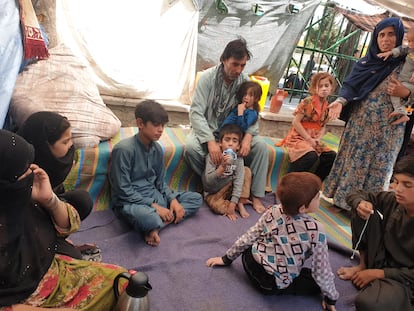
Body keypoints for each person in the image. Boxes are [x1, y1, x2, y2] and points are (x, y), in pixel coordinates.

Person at [0, 129, 127, 310]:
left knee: (124, 282)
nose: (30, 172)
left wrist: (49, 200)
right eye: (22, 170)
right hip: (22, 301)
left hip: (47, 270)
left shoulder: (20, 197)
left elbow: (69, 225)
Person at [205, 172, 339, 311]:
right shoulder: (317, 230)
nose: (320, 198)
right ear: (303, 208)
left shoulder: (274, 210)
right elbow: (321, 270)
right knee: (314, 281)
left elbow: (250, 235)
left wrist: (226, 258)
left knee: (257, 238)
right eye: (317, 196)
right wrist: (331, 298)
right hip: (269, 284)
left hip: (248, 260)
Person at [325, 17, 414, 210]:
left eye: (391, 34)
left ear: (399, 36)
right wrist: (340, 102)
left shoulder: (408, 62)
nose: (386, 39)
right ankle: (343, 201)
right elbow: (351, 85)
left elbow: (411, 97)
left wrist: (405, 93)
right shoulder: (367, 62)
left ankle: (368, 207)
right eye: (381, 35)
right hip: (360, 125)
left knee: (379, 168)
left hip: (389, 130)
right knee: (354, 161)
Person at [184, 38, 269, 213]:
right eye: (235, 64)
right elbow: (196, 113)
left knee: (260, 146)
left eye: (243, 66)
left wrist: (247, 138)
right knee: (191, 149)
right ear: (224, 59)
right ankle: (217, 185)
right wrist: (210, 141)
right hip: (208, 129)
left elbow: (253, 111)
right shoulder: (207, 78)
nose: (238, 70)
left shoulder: (245, 82)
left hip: (234, 134)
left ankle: (256, 196)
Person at [109, 100, 202, 247]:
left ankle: (156, 226)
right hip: (132, 202)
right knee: (149, 218)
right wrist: (155, 208)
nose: (160, 130)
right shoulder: (124, 150)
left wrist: (173, 201)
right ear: (140, 123)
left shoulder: (157, 149)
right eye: (156, 125)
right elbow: (122, 190)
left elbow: (160, 183)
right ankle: (156, 222)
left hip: (155, 196)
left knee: (196, 198)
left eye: (162, 126)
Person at [17, 111, 98, 261]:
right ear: (44, 145)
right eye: (65, 142)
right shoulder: (21, 174)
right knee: (72, 257)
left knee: (82, 200)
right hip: (24, 230)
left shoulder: (49, 166)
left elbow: (56, 201)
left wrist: (51, 202)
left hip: (44, 213)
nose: (71, 145)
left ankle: (57, 238)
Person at [336, 154, 414, 311]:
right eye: (396, 182)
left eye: (408, 185)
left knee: (369, 303)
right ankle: (362, 266)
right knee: (362, 211)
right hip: (383, 259)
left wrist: (379, 274)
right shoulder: (393, 201)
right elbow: (355, 194)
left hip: (405, 278)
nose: (398, 189)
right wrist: (360, 203)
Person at [276, 72, 337, 181]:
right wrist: (308, 139)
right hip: (299, 137)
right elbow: (296, 122)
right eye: (320, 86)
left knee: (331, 156)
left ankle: (314, 182)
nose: (323, 89)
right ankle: (289, 181)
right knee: (310, 156)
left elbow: (323, 126)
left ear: (331, 88)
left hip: (314, 138)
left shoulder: (327, 106)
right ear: (315, 88)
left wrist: (318, 138)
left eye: (326, 86)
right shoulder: (307, 102)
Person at [202, 124, 252, 220]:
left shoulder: (238, 159)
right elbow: (208, 182)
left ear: (238, 146)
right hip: (214, 191)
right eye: (227, 140)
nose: (230, 144)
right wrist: (221, 167)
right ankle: (231, 206)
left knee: (246, 171)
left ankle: (239, 202)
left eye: (234, 141)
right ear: (220, 143)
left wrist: (233, 203)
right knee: (217, 207)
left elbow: (239, 181)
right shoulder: (213, 157)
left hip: (229, 187)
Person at [377, 27, 414, 124]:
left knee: (402, 95)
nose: (411, 44)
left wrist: (406, 93)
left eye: (391, 34)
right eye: (409, 41)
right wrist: (390, 52)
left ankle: (405, 113)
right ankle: (405, 114)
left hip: (409, 83)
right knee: (396, 93)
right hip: (365, 123)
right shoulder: (409, 50)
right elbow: (401, 49)